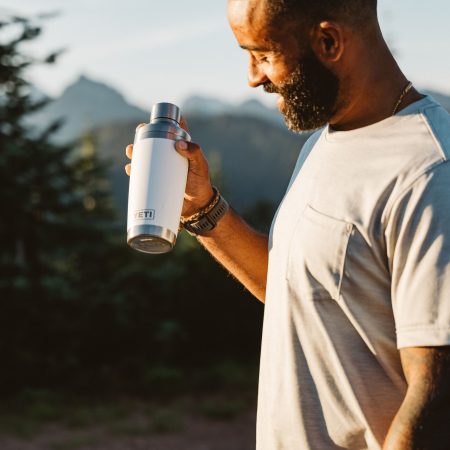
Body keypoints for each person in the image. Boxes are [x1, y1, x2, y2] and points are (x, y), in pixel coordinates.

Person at [125, 0, 450, 448]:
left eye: (262, 54)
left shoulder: (430, 171)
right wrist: (201, 209)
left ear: (328, 41)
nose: (252, 77)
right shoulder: (326, 139)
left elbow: (435, 403)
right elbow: (297, 290)